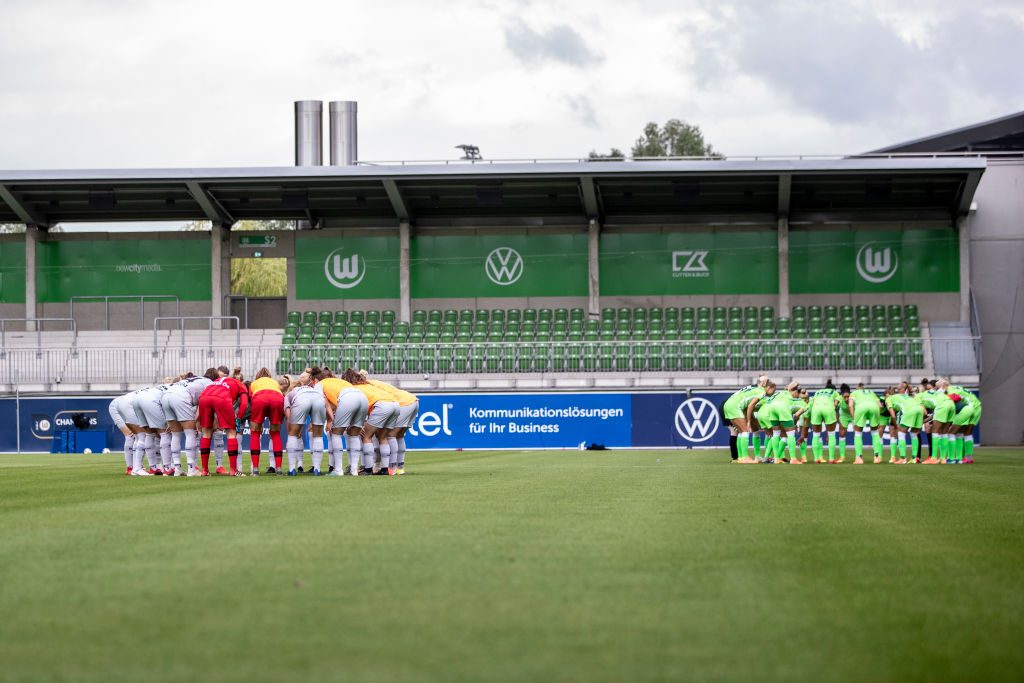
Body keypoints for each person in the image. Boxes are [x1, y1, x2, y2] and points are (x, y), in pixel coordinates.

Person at [345, 368, 401, 475]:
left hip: (382, 405)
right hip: (395, 404)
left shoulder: (354, 389)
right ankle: (385, 470)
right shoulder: (368, 385)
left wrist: (358, 424)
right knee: (382, 437)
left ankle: (368, 469)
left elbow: (358, 407)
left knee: (366, 436)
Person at [315, 369, 369, 477]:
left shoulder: (318, 385)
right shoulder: (338, 382)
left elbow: (325, 402)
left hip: (348, 398)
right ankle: (354, 471)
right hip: (363, 398)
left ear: (316, 380)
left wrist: (331, 419)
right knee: (353, 435)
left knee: (336, 434)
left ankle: (338, 470)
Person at [197, 369, 249, 476]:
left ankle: (204, 471)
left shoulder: (217, 380)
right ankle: (233, 470)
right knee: (231, 433)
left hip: (204, 398)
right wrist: (238, 419)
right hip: (222, 398)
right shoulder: (241, 385)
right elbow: (244, 404)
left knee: (206, 433)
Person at [365, 376, 419, 475]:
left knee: (390, 435)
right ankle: (400, 468)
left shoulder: (366, 386)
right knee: (399, 435)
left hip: (402, 403)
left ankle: (391, 468)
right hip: (412, 400)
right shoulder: (373, 382)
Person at [163, 371, 214, 476]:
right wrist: (195, 422)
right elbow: (202, 404)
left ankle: (177, 469)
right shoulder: (210, 383)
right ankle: (192, 469)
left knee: (176, 435)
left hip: (166, 396)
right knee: (190, 433)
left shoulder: (195, 380)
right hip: (181, 397)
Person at [285, 369, 327, 476]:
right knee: (318, 436)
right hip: (318, 399)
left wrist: (292, 429)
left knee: (292, 435)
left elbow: (288, 415)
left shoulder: (291, 393)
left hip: (301, 399)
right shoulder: (315, 389)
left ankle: (291, 469)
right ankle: (316, 469)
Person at [248, 368, 285, 476]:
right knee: (276, 434)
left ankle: (255, 469)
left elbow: (251, 400)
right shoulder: (274, 382)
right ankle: (278, 469)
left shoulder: (254, 383)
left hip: (260, 398)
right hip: (277, 399)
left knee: (255, 432)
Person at [132, 380, 174, 475]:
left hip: (136, 398)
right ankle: (167, 468)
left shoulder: (164, 386)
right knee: (165, 433)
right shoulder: (176, 389)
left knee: (149, 434)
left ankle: (147, 468)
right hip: (150, 399)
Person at [724, 375, 769, 464]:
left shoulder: (752, 389)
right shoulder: (761, 391)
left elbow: (747, 407)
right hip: (735, 406)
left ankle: (741, 457)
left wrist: (752, 422)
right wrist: (748, 421)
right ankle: (745, 457)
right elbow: (750, 406)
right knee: (745, 431)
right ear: (764, 384)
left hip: (728, 404)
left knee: (741, 432)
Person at [918, 380, 955, 464]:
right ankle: (943, 458)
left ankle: (933, 458)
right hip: (951, 404)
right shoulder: (942, 392)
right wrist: (925, 421)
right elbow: (934, 414)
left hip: (942, 406)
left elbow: (926, 412)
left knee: (935, 432)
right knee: (944, 433)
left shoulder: (920, 396)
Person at [110, 389, 145, 475]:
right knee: (131, 435)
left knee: (133, 436)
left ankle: (134, 466)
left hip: (121, 404)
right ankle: (132, 467)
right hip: (119, 406)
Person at [946, 381, 981, 464]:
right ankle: (968, 458)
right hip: (977, 407)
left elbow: (955, 400)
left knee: (955, 432)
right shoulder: (959, 388)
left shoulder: (950, 390)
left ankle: (956, 458)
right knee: (967, 433)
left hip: (968, 409)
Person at [809, 380, 841, 463]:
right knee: (831, 434)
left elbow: (811, 403)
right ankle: (831, 458)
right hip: (828, 408)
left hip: (816, 409)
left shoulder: (818, 392)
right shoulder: (835, 392)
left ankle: (816, 459)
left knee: (816, 435)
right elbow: (836, 404)